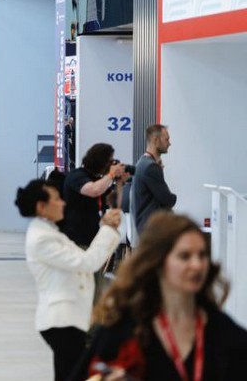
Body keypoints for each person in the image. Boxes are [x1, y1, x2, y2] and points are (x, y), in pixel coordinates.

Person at [78, 212, 247, 381]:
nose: (197, 265)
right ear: (158, 262)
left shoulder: (224, 333)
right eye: (185, 256)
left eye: (202, 255)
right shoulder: (124, 328)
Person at [15, 178, 122, 381]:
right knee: (77, 373)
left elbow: (83, 260)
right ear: (41, 207)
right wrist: (107, 230)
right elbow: (88, 262)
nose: (63, 203)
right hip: (62, 320)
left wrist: (105, 227)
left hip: (68, 319)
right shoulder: (42, 238)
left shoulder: (48, 232)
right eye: (57, 199)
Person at [60, 143, 127, 248]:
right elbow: (94, 190)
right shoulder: (76, 176)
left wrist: (120, 182)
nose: (110, 165)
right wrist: (111, 174)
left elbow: (115, 204)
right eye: (109, 161)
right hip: (76, 241)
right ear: (100, 161)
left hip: (93, 239)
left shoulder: (97, 180)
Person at [132, 123, 177, 235]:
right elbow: (167, 199)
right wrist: (173, 197)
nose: (169, 143)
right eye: (166, 139)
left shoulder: (142, 163)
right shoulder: (150, 167)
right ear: (156, 140)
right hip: (152, 228)